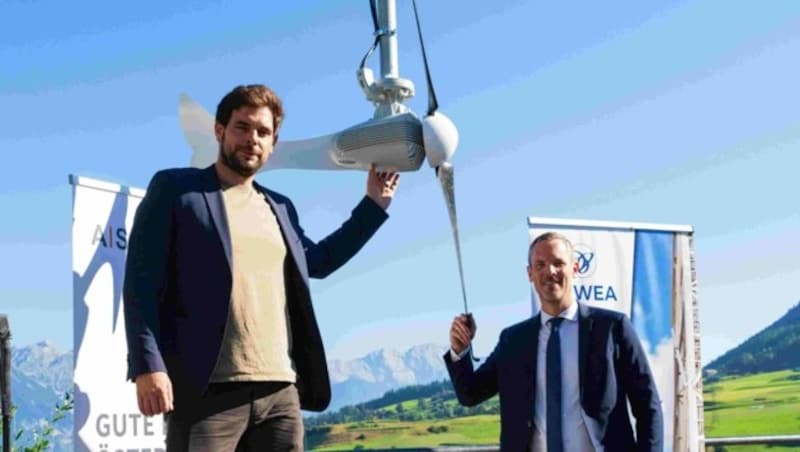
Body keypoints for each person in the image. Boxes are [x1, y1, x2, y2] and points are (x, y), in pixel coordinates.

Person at [123, 84, 400, 451]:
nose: (252, 139)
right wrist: (148, 365)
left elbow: (319, 261)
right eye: (242, 127)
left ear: (272, 143)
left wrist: (373, 206)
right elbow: (141, 282)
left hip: (281, 393)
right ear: (220, 131)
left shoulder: (280, 208)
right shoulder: (177, 191)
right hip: (208, 394)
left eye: (263, 132)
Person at [445, 232, 663, 451]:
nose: (550, 271)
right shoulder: (513, 341)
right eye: (540, 265)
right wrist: (459, 350)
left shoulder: (612, 328)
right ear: (529, 274)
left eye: (558, 263)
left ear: (575, 269)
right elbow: (469, 394)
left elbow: (648, 405)